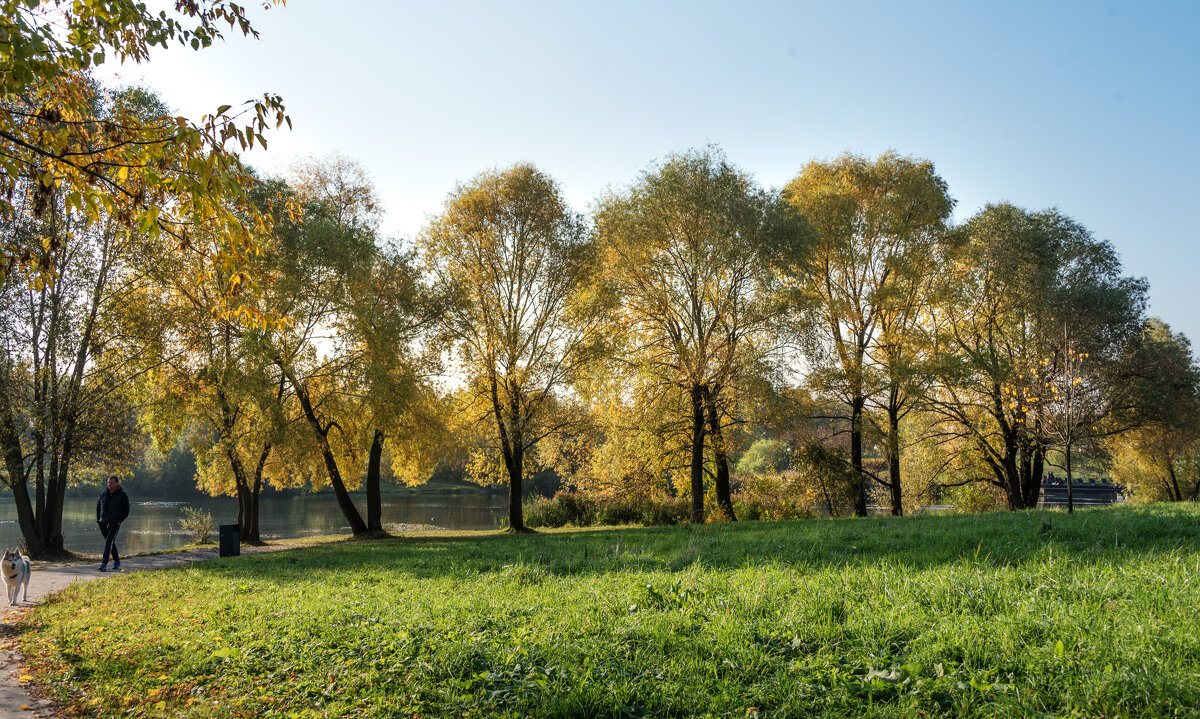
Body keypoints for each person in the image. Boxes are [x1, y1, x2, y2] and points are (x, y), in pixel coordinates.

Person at [96, 475, 130, 572]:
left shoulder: (122, 495)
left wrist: (120, 520)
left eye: (111, 482)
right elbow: (98, 507)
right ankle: (117, 560)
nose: (109, 484)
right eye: (108, 482)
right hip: (103, 522)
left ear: (117, 483)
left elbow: (126, 510)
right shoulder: (103, 494)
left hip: (115, 522)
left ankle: (103, 564)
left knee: (109, 541)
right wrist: (98, 519)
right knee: (109, 541)